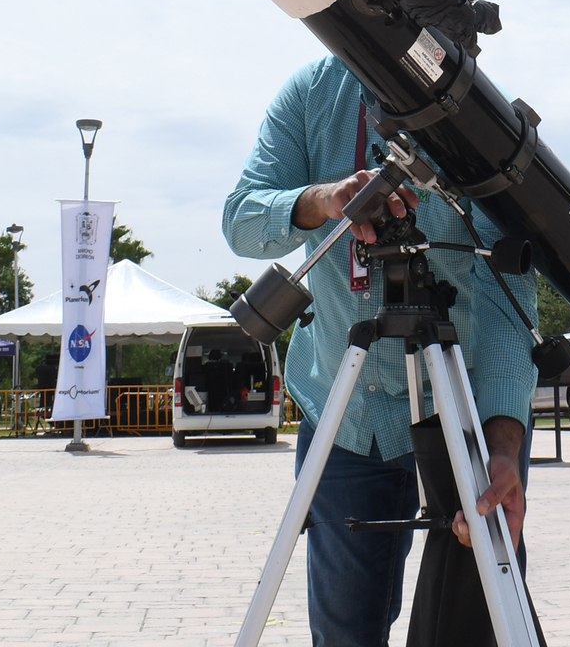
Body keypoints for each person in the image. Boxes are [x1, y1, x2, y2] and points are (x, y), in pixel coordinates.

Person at [224, 56, 538, 647]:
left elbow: (509, 295)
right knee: (347, 632)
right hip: (345, 414)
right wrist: (323, 201)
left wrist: (503, 448)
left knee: (483, 620)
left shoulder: (482, 117)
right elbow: (241, 220)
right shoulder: (312, 94)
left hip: (463, 402)